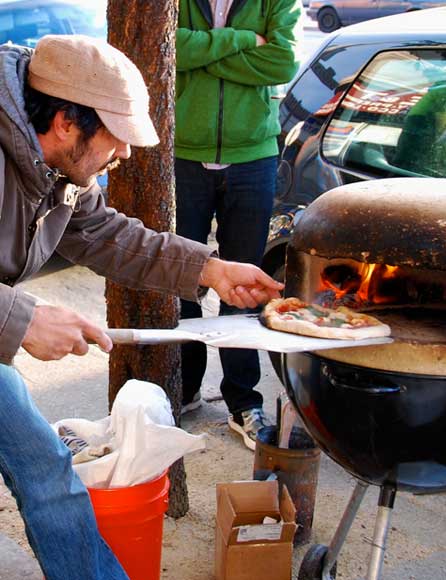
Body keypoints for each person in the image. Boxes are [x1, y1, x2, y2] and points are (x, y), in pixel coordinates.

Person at [0, 34, 283, 580]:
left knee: (47, 472)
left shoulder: (61, 166)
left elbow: (105, 235)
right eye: (117, 135)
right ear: (65, 122)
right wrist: (23, 318)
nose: (126, 153)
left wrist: (210, 269)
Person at [174, 0, 301, 450]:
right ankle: (184, 388)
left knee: (245, 283)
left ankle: (243, 400)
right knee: (183, 277)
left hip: (253, 156)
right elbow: (174, 51)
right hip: (184, 152)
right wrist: (245, 40)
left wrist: (204, 54)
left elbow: (282, 62)